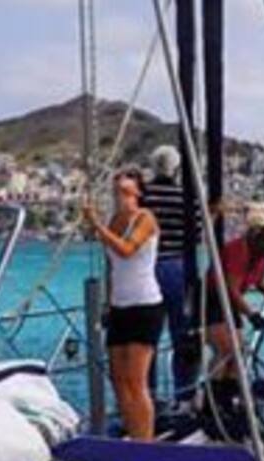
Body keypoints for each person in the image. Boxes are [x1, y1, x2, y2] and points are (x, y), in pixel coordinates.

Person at [83, 170, 163, 441]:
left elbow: (126, 249)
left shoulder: (145, 218)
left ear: (138, 193)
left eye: (126, 192)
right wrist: (107, 302)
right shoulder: (114, 221)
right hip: (120, 306)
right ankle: (132, 433)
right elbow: (111, 265)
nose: (121, 198)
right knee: (118, 380)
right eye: (117, 192)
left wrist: (96, 225)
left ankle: (145, 442)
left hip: (144, 304)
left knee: (136, 381)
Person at [139, 147, 201, 406]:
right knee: (183, 335)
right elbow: (197, 235)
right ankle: (184, 396)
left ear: (153, 166)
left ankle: (148, 397)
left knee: (148, 337)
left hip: (147, 268)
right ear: (176, 168)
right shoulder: (187, 197)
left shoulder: (144, 196)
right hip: (178, 267)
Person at [199, 220, 264, 382]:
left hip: (230, 302)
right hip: (213, 298)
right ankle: (211, 397)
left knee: (239, 352)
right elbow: (231, 289)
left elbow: (259, 279)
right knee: (225, 350)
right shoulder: (239, 251)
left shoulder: (263, 254)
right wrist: (251, 315)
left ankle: (230, 394)